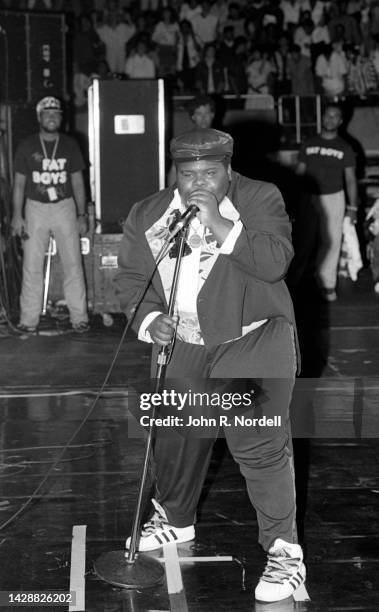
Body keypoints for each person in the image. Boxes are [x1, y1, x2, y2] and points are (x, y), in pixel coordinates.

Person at [115, 128, 306, 603]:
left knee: (260, 447)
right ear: (174, 172)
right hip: (183, 339)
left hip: (251, 338)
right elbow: (132, 279)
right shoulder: (148, 213)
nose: (197, 183)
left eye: (209, 173)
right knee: (177, 437)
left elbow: (273, 262)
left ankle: (286, 555)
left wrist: (220, 223)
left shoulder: (259, 198)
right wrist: (151, 319)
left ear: (227, 169)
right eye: (187, 174)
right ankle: (176, 520)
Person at [11, 96, 89, 334]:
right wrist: (17, 215)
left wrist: (82, 213)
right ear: (39, 117)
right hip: (35, 208)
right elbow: (19, 185)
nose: (52, 117)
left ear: (61, 118)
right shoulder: (27, 145)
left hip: (64, 207)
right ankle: (29, 319)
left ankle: (79, 317)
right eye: (47, 114)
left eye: (56, 114)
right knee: (32, 265)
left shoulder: (69, 144)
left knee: (73, 263)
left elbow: (77, 182)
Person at [296, 103, 358, 301]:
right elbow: (299, 172)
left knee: (331, 241)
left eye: (335, 116)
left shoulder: (345, 147)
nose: (330, 119)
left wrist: (353, 207)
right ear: (322, 118)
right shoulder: (309, 143)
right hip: (309, 197)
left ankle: (328, 284)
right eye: (327, 116)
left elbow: (350, 179)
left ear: (340, 121)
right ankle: (301, 282)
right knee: (304, 240)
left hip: (334, 197)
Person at [166, 95, 215, 186]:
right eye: (199, 114)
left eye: (206, 113)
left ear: (212, 115)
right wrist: (171, 195)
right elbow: (174, 169)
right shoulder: (183, 141)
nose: (203, 118)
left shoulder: (222, 140)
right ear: (193, 116)